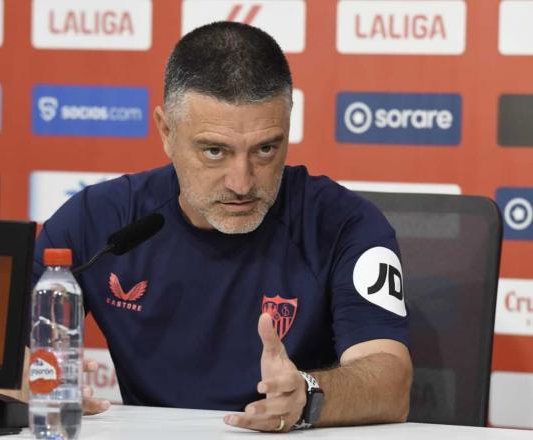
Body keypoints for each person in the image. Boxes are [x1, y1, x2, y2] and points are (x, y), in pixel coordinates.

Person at [33, 21, 412, 432]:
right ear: (166, 131)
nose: (242, 182)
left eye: (265, 149)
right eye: (215, 151)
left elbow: (390, 379)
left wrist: (309, 395)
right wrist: (17, 380)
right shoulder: (99, 220)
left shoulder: (343, 224)